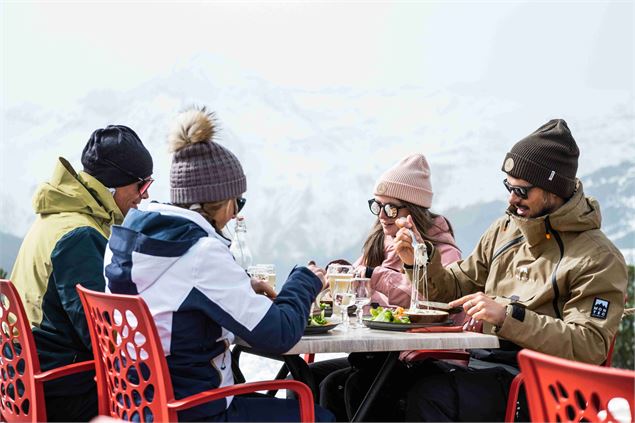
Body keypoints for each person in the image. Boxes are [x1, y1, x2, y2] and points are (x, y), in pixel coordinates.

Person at [105, 106, 335, 422]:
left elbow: (176, 298)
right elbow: (279, 334)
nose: (237, 213)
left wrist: (241, 285)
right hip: (195, 410)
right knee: (319, 416)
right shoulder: (199, 252)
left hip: (141, 406)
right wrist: (305, 279)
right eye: (238, 202)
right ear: (223, 201)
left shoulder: (126, 240)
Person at [395, 119, 627, 421]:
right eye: (509, 186)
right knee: (363, 384)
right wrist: (418, 261)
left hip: (542, 385)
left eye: (521, 190)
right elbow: (452, 288)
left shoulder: (598, 257)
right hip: (486, 367)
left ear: (553, 190)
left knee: (428, 397)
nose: (511, 198)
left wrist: (508, 316)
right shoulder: (506, 230)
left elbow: (589, 345)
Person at [10, 125, 154, 421]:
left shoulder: (55, 219)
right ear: (114, 185)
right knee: (169, 399)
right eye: (141, 186)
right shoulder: (79, 235)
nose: (143, 197)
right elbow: (103, 338)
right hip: (60, 388)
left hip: (22, 379)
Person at [314, 153, 462, 421]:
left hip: (426, 359)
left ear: (414, 212)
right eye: (377, 205)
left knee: (349, 387)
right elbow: (355, 289)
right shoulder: (379, 243)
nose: (382, 215)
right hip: (380, 355)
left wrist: (374, 275)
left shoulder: (443, 253)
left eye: (391, 208)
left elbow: (435, 302)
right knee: (308, 379)